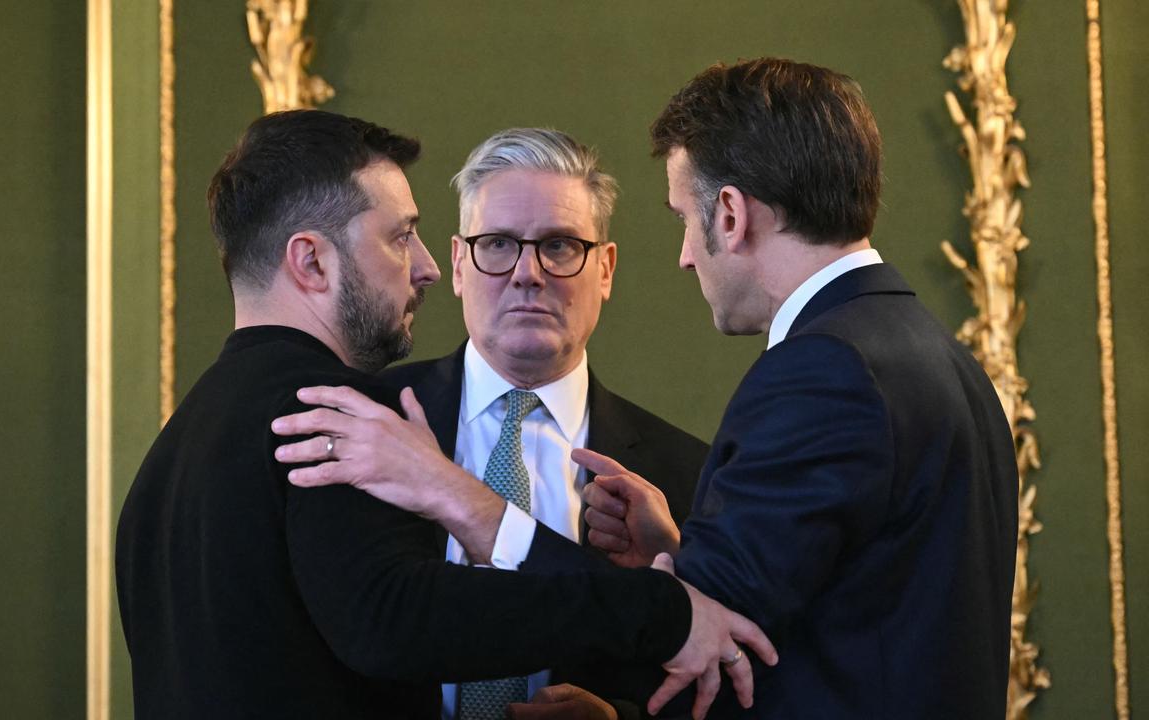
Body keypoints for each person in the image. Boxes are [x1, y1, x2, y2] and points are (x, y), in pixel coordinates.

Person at [274, 58, 1018, 719]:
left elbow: (706, 649)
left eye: (685, 221)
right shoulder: (941, 357)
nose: (689, 257)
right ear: (463, 264)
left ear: (729, 214)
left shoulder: (821, 374)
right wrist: (675, 556)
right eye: (497, 245)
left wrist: (464, 503)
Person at [115, 109, 774, 720]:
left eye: (560, 247)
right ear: (311, 260)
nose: (424, 267)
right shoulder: (342, 418)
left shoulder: (167, 454)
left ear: (605, 268)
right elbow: (398, 617)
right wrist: (662, 610)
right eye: (402, 237)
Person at [381, 128, 708, 718]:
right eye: (499, 244)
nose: (528, 273)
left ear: (604, 270)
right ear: (458, 264)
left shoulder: (686, 478)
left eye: (559, 246)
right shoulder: (373, 422)